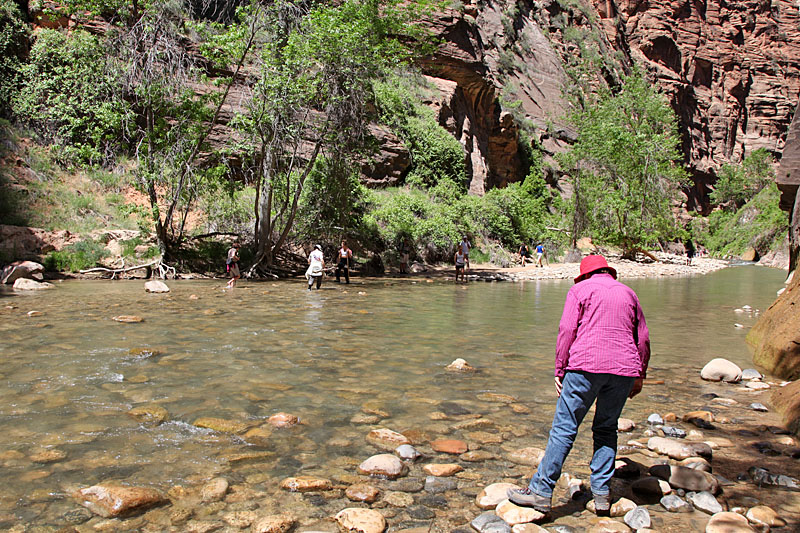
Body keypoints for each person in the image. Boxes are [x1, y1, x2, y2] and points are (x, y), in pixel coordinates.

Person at [508, 255, 650, 516]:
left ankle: (540, 491)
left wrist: (560, 368)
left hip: (585, 366)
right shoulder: (629, 293)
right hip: (623, 370)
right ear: (609, 272)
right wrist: (640, 373)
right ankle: (602, 495)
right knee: (606, 429)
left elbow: (566, 330)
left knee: (564, 429)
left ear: (585, 274)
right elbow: (642, 337)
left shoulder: (579, 290)